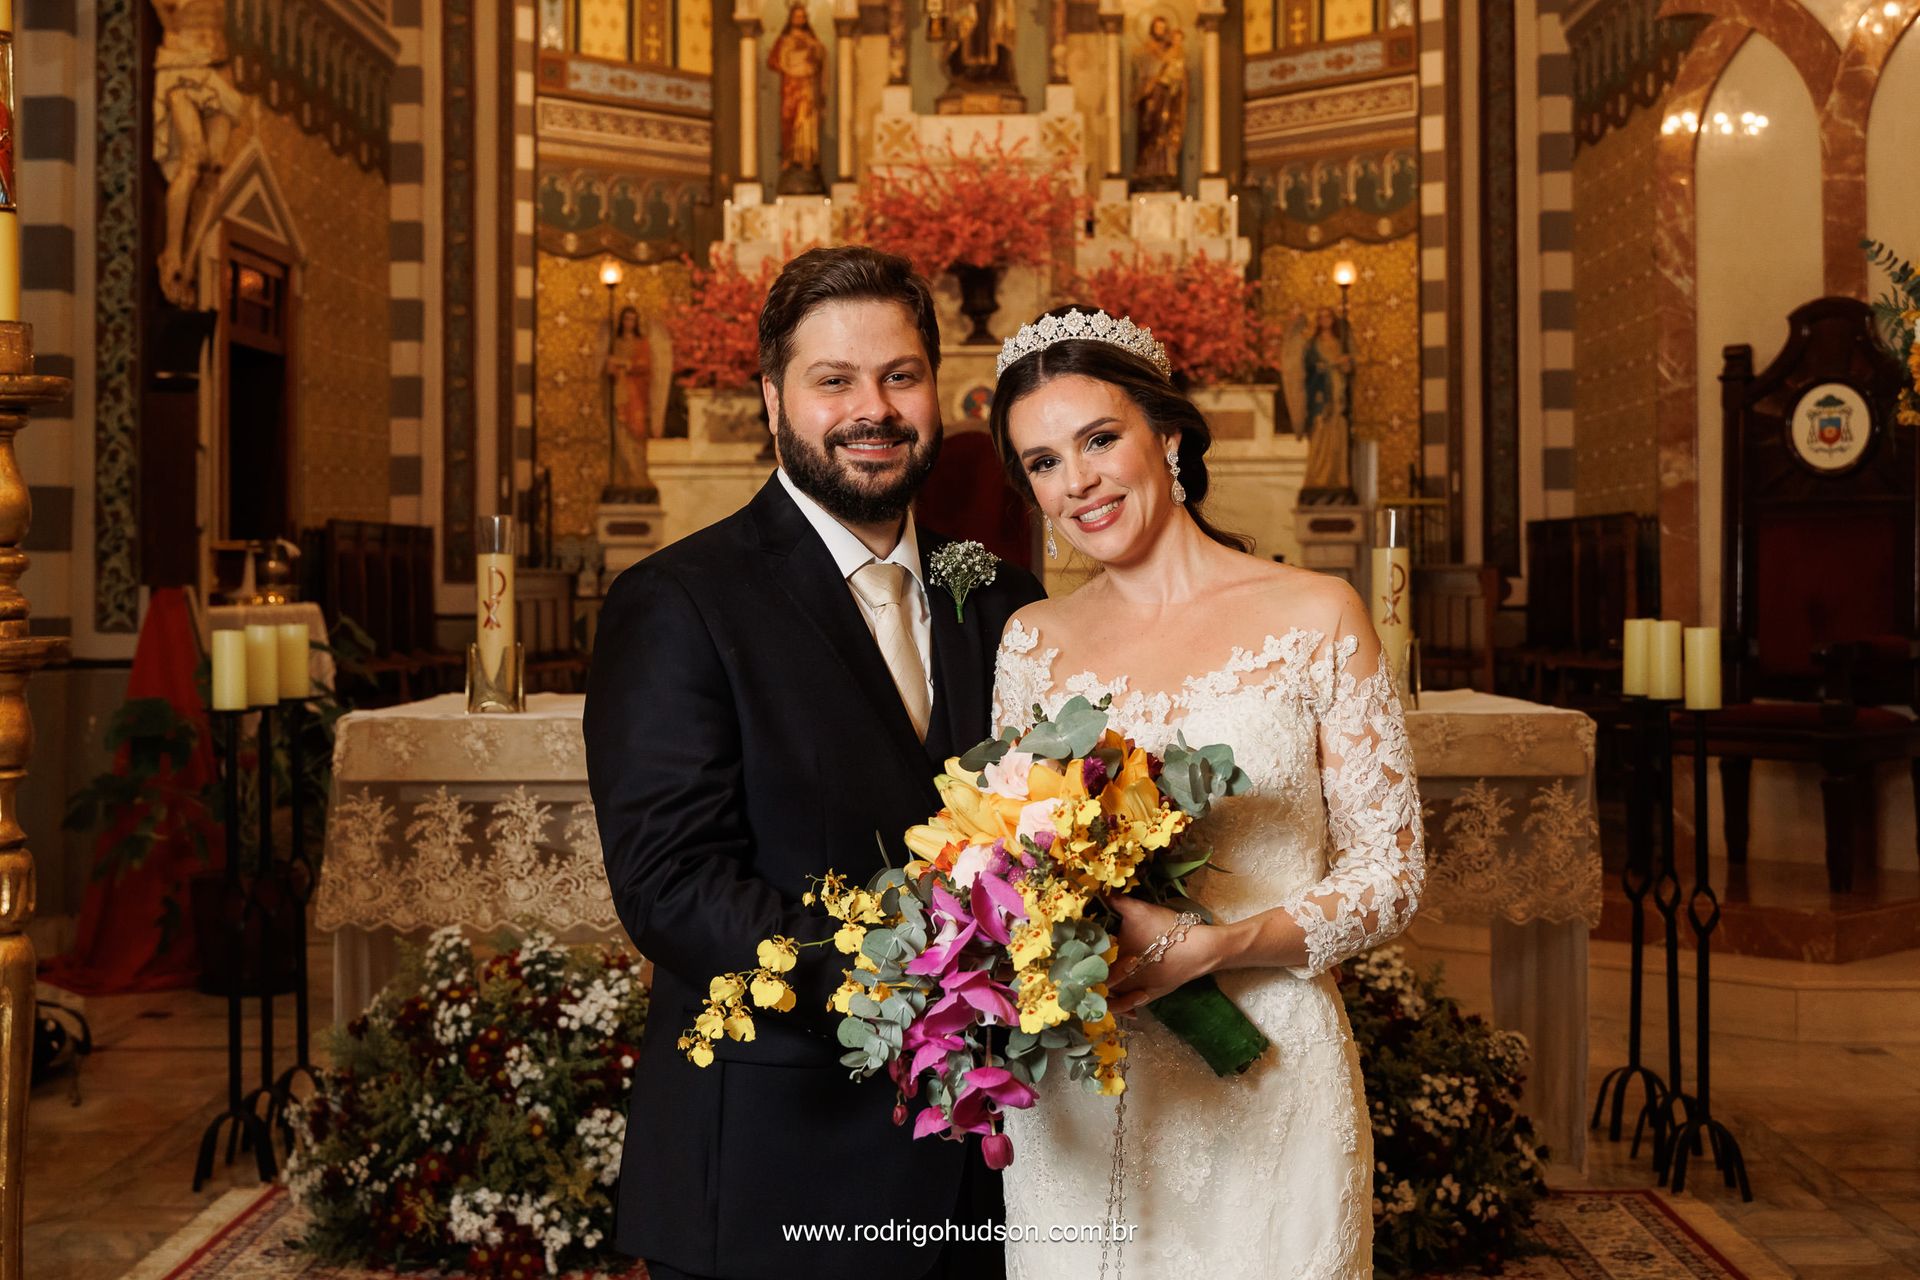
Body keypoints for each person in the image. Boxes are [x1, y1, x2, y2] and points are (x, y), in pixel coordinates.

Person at [585, 245, 1043, 1280]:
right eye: (833, 379)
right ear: (771, 398)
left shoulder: (1003, 596)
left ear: (938, 388)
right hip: (776, 1165)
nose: (871, 408)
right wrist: (928, 990)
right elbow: (673, 884)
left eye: (899, 375)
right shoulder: (680, 600)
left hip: (988, 1172)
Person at [984, 306, 1425, 1277]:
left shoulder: (1314, 612)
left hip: (1267, 1064)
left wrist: (1221, 944)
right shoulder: (1033, 641)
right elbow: (1009, 855)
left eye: (1100, 438)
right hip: (1080, 1091)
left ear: (1168, 433)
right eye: (1045, 462)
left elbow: (1392, 874)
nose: (1079, 481)